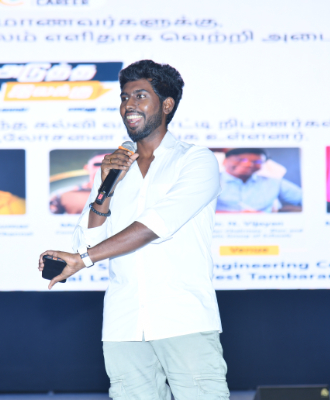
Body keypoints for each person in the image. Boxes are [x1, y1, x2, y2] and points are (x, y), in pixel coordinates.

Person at [39, 60, 229, 399]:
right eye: (124, 97)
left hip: (182, 317)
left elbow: (156, 225)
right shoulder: (114, 167)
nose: (129, 105)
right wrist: (106, 187)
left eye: (140, 96)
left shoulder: (195, 160)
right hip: (123, 321)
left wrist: (83, 259)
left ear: (167, 105)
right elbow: (88, 240)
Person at [216, 148, 302, 213]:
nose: (248, 164)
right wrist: (238, 215)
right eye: (241, 160)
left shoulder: (274, 183)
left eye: (257, 162)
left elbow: (305, 199)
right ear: (225, 161)